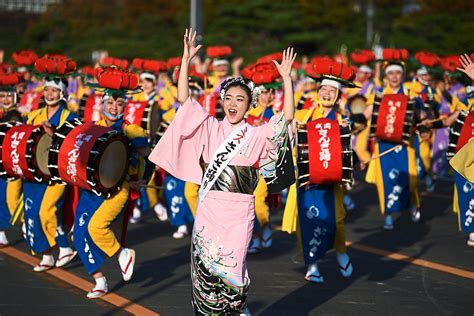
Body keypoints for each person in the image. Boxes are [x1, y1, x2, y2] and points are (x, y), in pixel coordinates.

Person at [149, 28, 296, 315]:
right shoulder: (210, 127)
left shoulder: (255, 135)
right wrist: (186, 58)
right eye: (228, 98)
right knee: (205, 268)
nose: (232, 104)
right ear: (222, 100)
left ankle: (233, 309)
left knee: (234, 269)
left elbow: (287, 117)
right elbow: (182, 98)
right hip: (210, 208)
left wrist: (287, 80)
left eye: (240, 99)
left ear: (249, 104)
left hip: (240, 210)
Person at [73, 68, 152, 298]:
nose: (114, 107)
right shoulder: (92, 127)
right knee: (79, 234)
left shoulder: (132, 130)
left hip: (119, 188)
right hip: (91, 188)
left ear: (124, 105)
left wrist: (142, 179)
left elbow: (150, 159)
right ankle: (99, 280)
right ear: (102, 103)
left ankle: (122, 254)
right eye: (110, 102)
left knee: (96, 227)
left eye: (119, 103)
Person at [365, 55, 421, 230]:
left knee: (410, 178)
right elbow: (365, 114)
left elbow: (422, 116)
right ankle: (388, 215)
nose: (395, 77)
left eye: (398, 73)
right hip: (384, 144)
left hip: (405, 144)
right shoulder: (379, 95)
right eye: (391, 73)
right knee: (386, 182)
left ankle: (411, 203)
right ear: (386, 76)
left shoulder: (410, 94)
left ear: (402, 75)